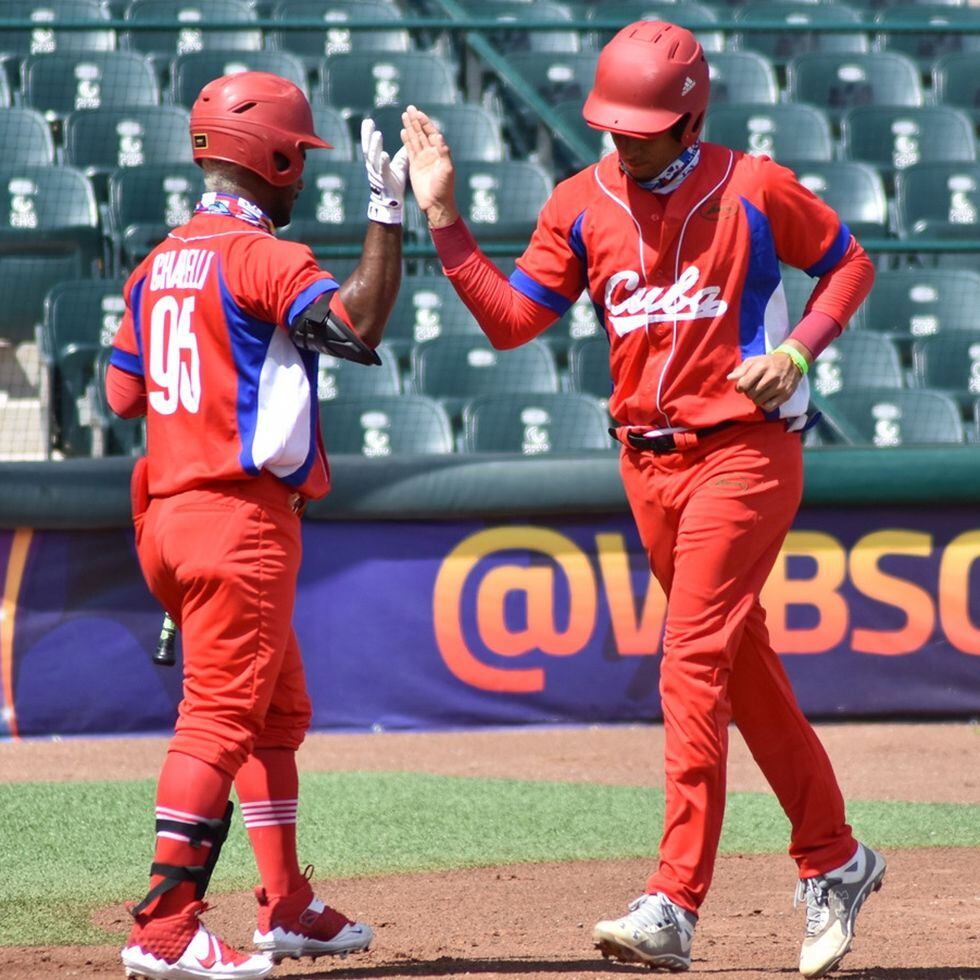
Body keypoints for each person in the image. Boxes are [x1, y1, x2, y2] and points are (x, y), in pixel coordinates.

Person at [401, 20, 885, 979]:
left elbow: (850, 263)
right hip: (646, 467)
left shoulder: (754, 187)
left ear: (689, 117)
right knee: (741, 672)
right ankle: (836, 858)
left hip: (743, 456)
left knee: (690, 659)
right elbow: (511, 325)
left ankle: (673, 901)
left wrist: (798, 352)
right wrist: (446, 218)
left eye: (641, 126)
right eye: (610, 124)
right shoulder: (581, 202)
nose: (620, 139)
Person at [106, 71, 407, 980]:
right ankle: (166, 928)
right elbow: (355, 324)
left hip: (169, 515)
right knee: (218, 723)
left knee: (276, 713)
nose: (301, 173)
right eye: (297, 158)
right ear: (271, 156)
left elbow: (125, 392)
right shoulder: (262, 257)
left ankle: (285, 906)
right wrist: (386, 212)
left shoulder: (157, 262)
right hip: (238, 521)